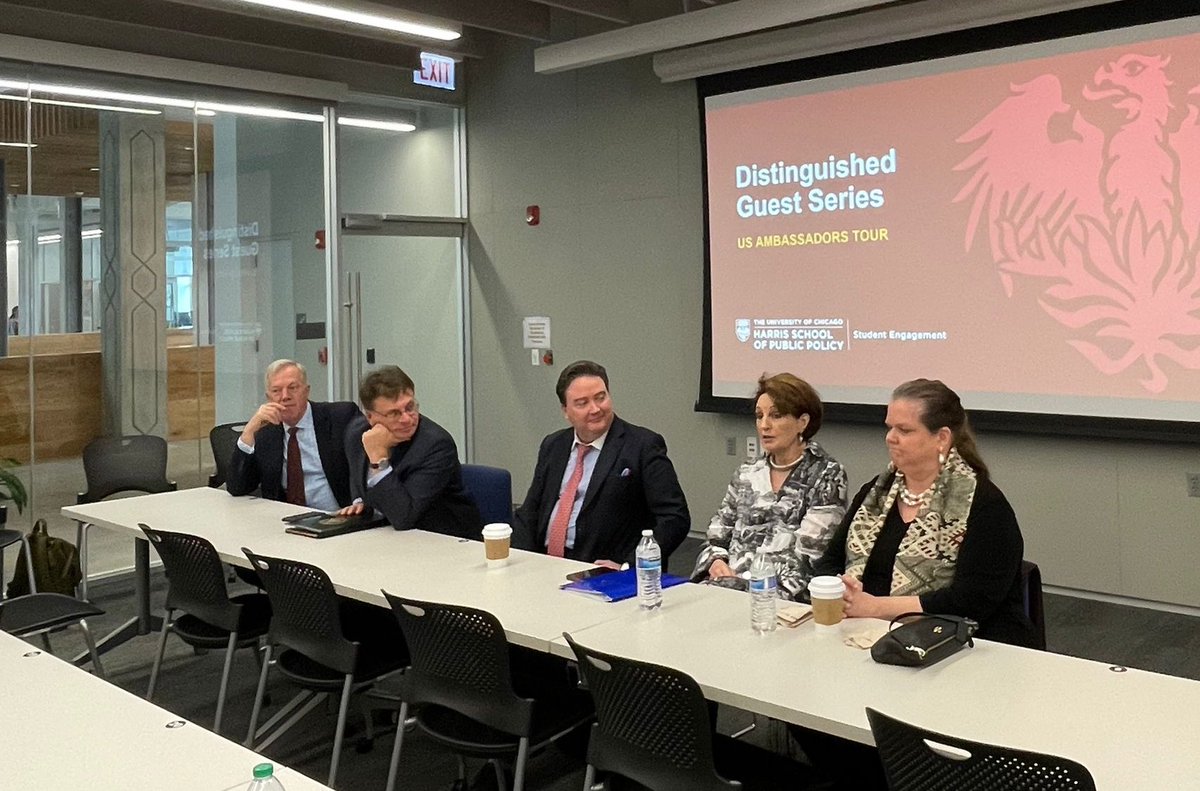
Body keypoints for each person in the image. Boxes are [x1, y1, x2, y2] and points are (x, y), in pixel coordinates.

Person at [813, 377, 1036, 645]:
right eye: (889, 428)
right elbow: (829, 561)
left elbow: (969, 602)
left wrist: (875, 607)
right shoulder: (877, 491)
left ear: (941, 438)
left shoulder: (984, 506)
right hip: (867, 636)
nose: (890, 438)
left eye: (904, 430)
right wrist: (844, 589)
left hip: (961, 646)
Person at [514, 360, 690, 566]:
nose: (595, 409)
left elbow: (675, 518)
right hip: (544, 564)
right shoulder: (553, 445)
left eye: (601, 397)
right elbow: (530, 512)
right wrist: (520, 561)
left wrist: (629, 565)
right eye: (582, 403)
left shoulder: (642, 446)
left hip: (603, 569)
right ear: (565, 410)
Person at [692, 373, 847, 600]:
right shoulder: (747, 473)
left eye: (776, 415)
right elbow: (717, 536)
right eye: (759, 416)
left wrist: (741, 584)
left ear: (802, 422)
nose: (764, 425)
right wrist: (716, 562)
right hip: (725, 589)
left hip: (785, 598)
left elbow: (809, 557)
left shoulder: (827, 475)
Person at [339, 365, 482, 539]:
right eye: (394, 413)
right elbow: (357, 479)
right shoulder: (356, 434)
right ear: (370, 417)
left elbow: (404, 517)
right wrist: (359, 502)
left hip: (442, 540)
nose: (407, 419)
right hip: (384, 536)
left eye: (410, 407)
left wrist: (378, 458)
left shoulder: (436, 445)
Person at [227, 359, 359, 511]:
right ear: (268, 397)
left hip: (338, 517)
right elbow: (237, 487)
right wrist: (248, 433)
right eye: (276, 391)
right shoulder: (265, 431)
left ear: (306, 390)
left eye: (293, 388)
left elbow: (366, 472)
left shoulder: (341, 418)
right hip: (285, 521)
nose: (285, 396)